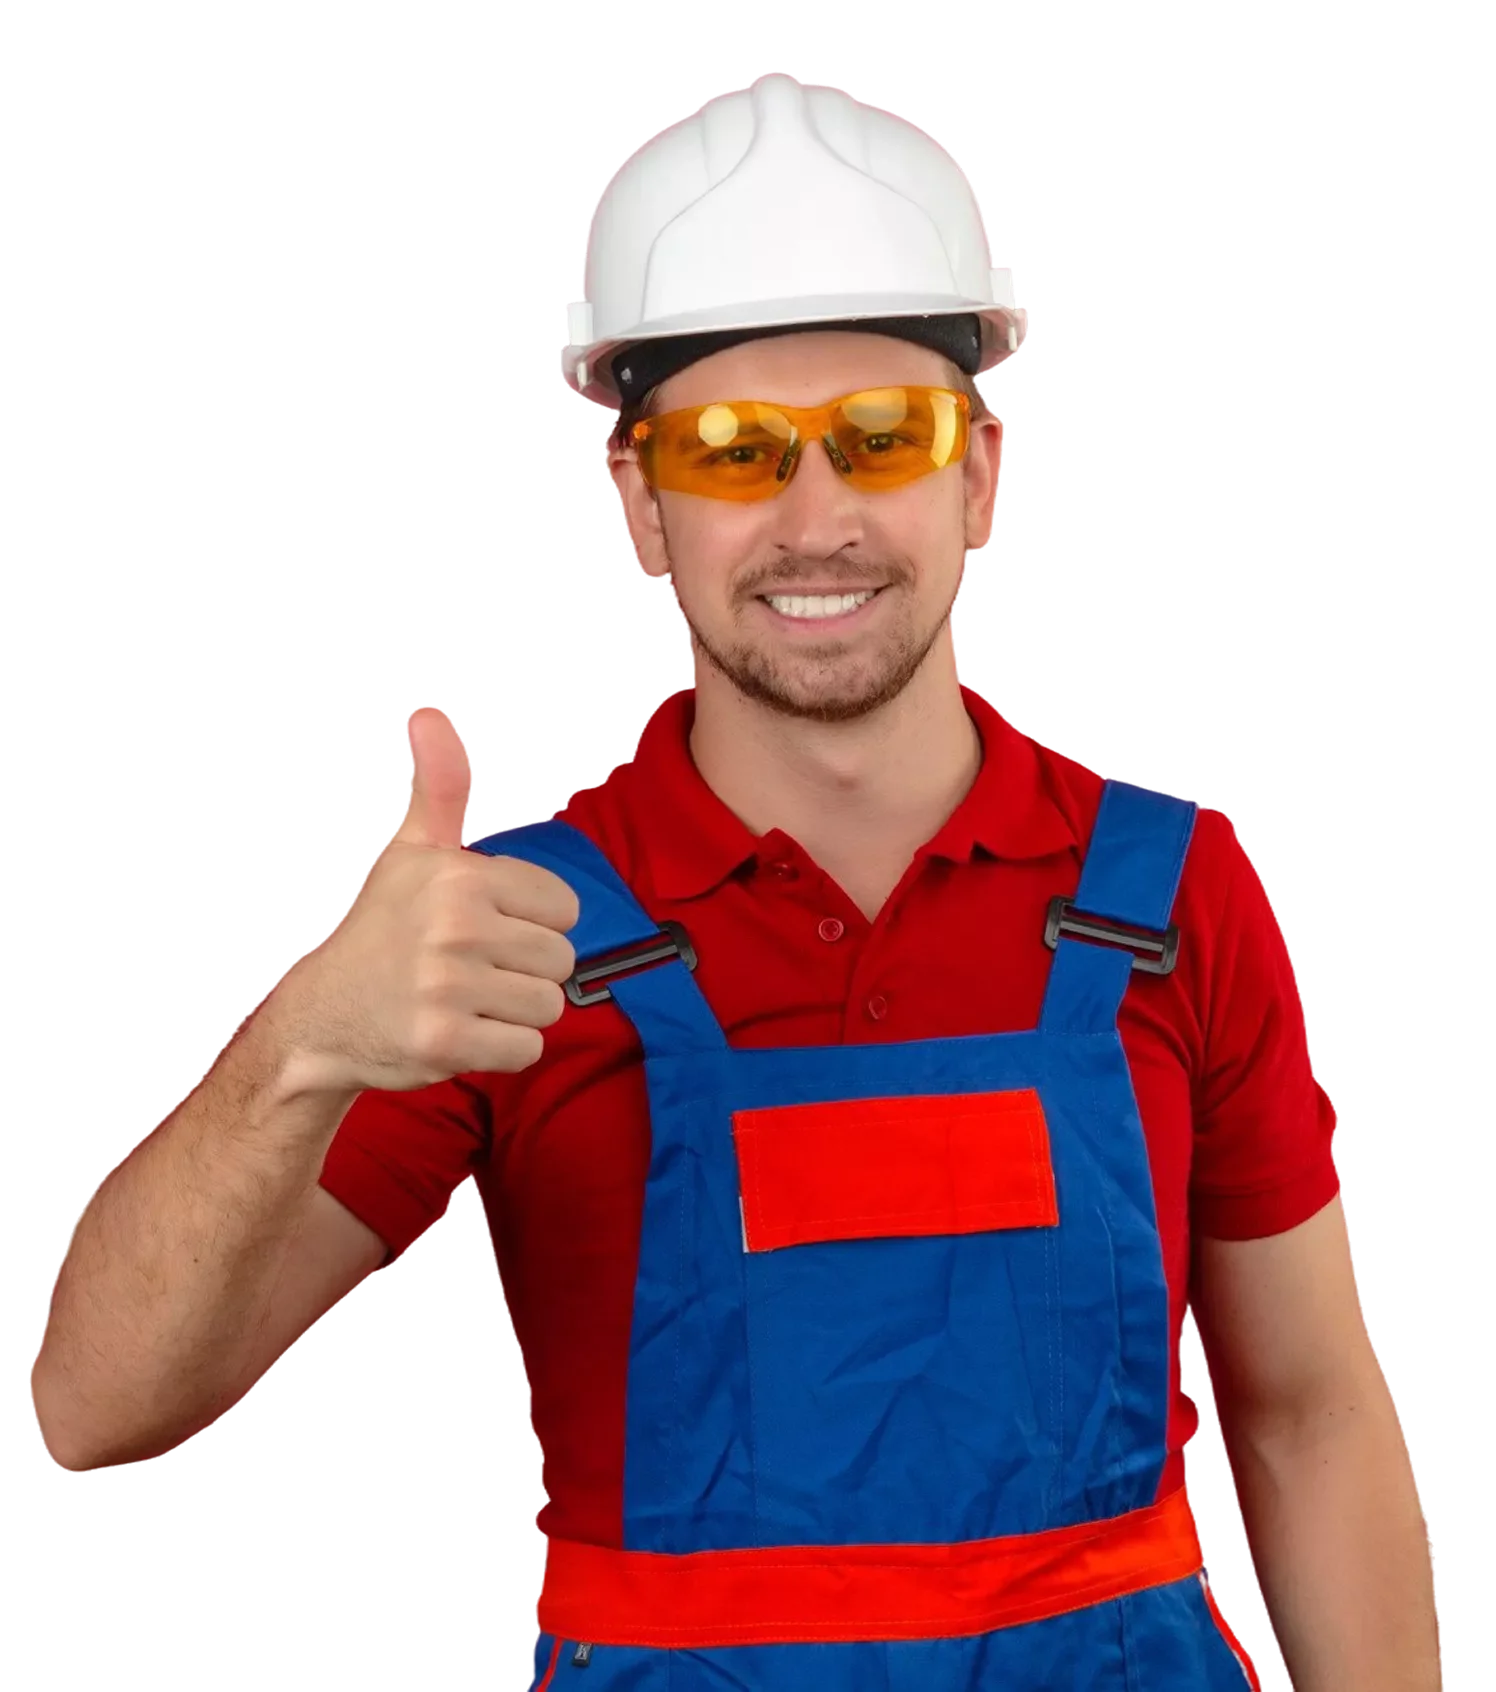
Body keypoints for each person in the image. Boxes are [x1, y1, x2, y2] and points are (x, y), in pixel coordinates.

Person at [31, 70, 1441, 1691]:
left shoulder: (1172, 889)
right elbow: (92, 1409)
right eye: (730, 450)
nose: (815, 514)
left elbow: (1312, 1411)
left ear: (979, 473)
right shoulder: (511, 937)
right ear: (639, 502)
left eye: (879, 435)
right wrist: (302, 1046)